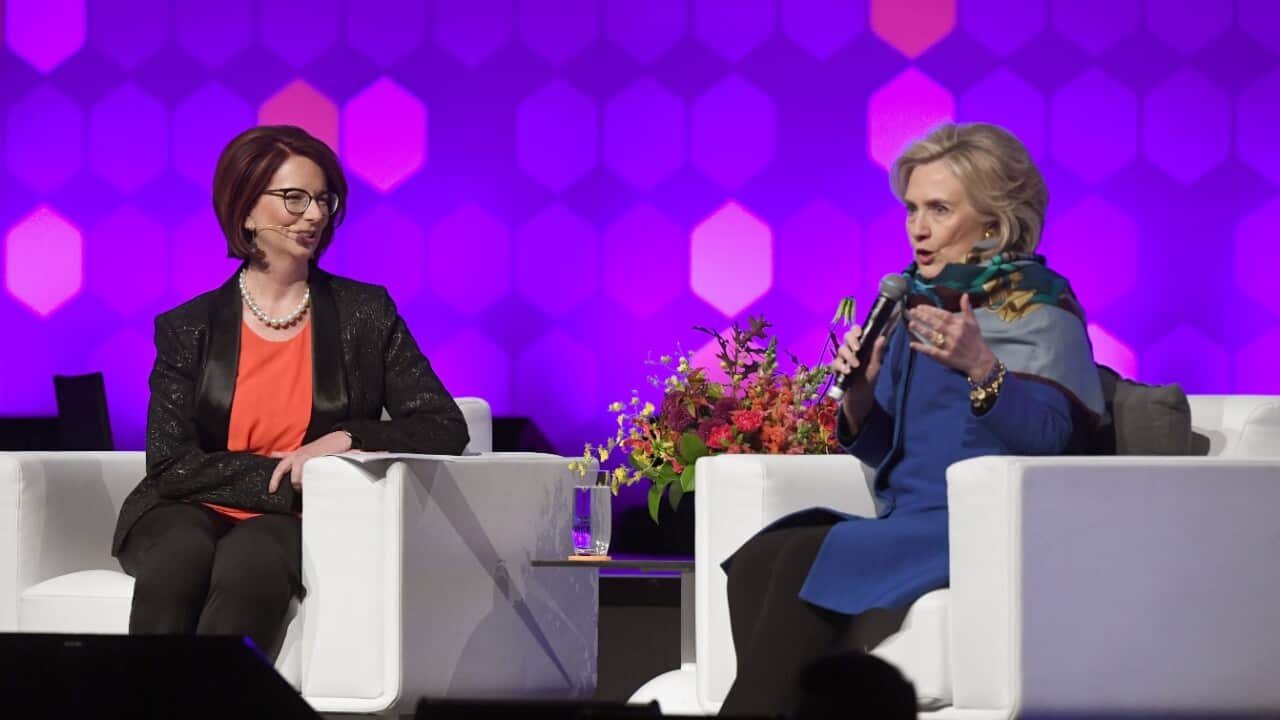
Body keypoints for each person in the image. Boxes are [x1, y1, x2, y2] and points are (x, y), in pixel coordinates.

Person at [719, 123, 1105, 715]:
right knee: (766, 552)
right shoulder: (916, 305)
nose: (918, 229)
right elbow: (890, 449)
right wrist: (860, 394)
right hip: (912, 518)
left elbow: (1053, 442)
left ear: (993, 223)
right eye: (912, 209)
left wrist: (982, 368)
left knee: (802, 557)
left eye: (940, 209)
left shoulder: (1040, 308)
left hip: (984, 525)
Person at [111, 125, 469, 658]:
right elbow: (170, 465)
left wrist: (347, 439)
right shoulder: (190, 327)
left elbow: (444, 426)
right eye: (294, 198)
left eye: (324, 199)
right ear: (246, 210)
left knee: (249, 568)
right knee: (176, 561)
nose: (315, 215)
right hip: (186, 506)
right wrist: (285, 475)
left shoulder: (365, 314)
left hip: (293, 519)